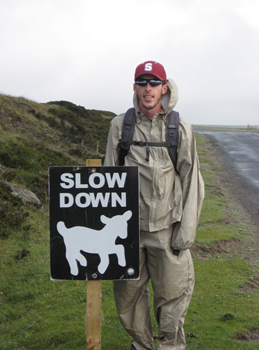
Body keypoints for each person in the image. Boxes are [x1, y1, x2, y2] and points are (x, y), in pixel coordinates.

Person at [104, 60, 204, 350]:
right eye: (142, 82)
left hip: (167, 231)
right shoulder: (119, 125)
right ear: (134, 87)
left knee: (172, 298)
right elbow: (110, 176)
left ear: (164, 87)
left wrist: (185, 232)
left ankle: (170, 347)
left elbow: (191, 182)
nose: (148, 88)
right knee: (128, 299)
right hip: (126, 233)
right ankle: (142, 346)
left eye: (154, 83)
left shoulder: (180, 128)